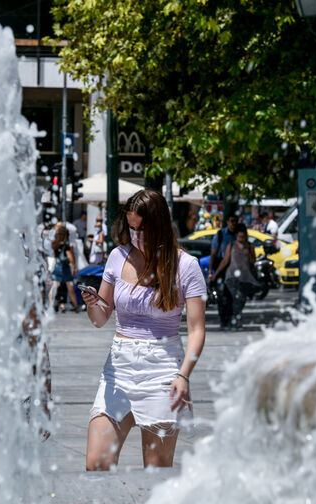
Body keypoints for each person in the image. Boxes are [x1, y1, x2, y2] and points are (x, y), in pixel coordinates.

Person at [81, 189, 206, 471]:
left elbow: (197, 330)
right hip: (119, 367)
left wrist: (183, 374)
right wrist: (92, 304)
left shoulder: (185, 266)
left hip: (162, 368)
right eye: (131, 227)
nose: (135, 235)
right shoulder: (117, 256)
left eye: (141, 228)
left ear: (159, 226)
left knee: (156, 472)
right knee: (96, 464)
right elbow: (101, 319)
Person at [211, 224, 260, 330]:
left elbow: (252, 262)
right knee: (237, 297)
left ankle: (235, 317)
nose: (241, 239)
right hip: (231, 277)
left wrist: (249, 252)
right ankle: (236, 320)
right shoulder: (231, 245)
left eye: (243, 237)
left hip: (246, 277)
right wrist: (215, 274)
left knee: (242, 300)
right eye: (239, 237)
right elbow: (225, 261)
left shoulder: (250, 246)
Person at [209, 213, 238, 328]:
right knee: (222, 295)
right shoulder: (220, 235)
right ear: (227, 222)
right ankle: (223, 318)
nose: (233, 223)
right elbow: (213, 253)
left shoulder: (238, 235)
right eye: (232, 221)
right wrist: (211, 271)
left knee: (232, 294)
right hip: (221, 267)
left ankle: (230, 318)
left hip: (234, 267)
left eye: (235, 221)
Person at [48, 223, 80, 313]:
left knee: (54, 286)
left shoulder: (55, 244)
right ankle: (76, 306)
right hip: (64, 268)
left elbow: (54, 256)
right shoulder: (66, 245)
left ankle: (50, 304)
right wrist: (74, 266)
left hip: (57, 267)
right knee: (70, 288)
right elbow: (70, 257)